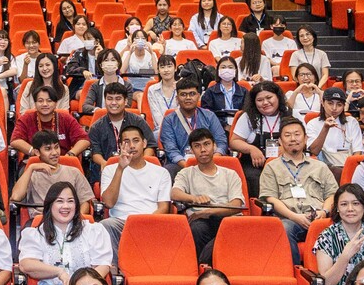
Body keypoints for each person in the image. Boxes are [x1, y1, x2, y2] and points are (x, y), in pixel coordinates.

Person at [18, 184, 114, 285]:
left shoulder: (93, 230)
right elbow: (26, 264)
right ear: (50, 205)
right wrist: (59, 272)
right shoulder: (36, 233)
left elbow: (103, 264)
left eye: (70, 201)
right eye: (59, 201)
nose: (65, 206)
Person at [258, 117, 338, 262]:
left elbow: (332, 194)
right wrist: (294, 217)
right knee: (284, 228)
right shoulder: (271, 167)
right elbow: (270, 198)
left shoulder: (320, 166)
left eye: (297, 134)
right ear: (280, 141)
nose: (293, 139)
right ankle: (294, 270)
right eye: (287, 135)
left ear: (305, 138)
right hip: (289, 219)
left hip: (319, 218)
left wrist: (324, 212)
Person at [172, 129, 246, 264]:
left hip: (228, 218)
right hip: (201, 221)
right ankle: (204, 266)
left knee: (233, 232)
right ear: (191, 150)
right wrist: (194, 198)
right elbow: (174, 193)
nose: (203, 150)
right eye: (197, 146)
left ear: (214, 146)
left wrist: (209, 212)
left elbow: (236, 205)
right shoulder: (186, 173)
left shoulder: (230, 174)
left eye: (206, 144)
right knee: (197, 228)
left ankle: (204, 265)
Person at [99, 122, 172, 250]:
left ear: (144, 143)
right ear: (120, 146)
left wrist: (143, 223)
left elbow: (164, 208)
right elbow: (108, 203)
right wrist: (120, 169)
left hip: (151, 222)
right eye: (126, 142)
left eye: (136, 141)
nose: (132, 146)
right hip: (120, 223)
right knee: (105, 225)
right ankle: (117, 263)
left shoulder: (161, 172)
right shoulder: (110, 170)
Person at [230, 80, 290, 194]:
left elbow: (303, 140)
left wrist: (286, 149)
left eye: (269, 98)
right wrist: (251, 149)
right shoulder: (248, 117)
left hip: (286, 162)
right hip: (255, 165)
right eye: (260, 100)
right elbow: (234, 141)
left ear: (278, 97)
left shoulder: (290, 114)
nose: (265, 103)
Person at [159, 78, 230, 173]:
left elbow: (221, 142)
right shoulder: (169, 120)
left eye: (192, 94)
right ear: (177, 98)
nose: (188, 98)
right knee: (169, 170)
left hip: (209, 161)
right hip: (182, 165)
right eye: (183, 94)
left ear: (198, 96)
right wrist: (189, 167)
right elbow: (171, 150)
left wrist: (211, 161)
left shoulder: (209, 116)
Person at [10, 130, 94, 208]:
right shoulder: (31, 174)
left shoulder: (74, 172)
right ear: (37, 152)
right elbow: (15, 197)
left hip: (69, 216)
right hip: (40, 217)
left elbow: (85, 202)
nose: (54, 153)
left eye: (57, 147)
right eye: (48, 149)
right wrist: (31, 168)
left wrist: (77, 217)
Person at [85, 81, 156, 173]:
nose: (113, 103)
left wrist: (143, 162)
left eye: (118, 99)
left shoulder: (138, 121)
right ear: (105, 101)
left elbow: (150, 145)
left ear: (125, 101)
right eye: (110, 99)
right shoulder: (96, 127)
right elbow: (95, 153)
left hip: (136, 168)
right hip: (108, 169)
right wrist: (104, 164)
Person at [10, 83, 89, 159]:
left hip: (62, 160)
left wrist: (70, 154)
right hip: (35, 161)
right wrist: (33, 151)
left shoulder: (66, 118)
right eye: (40, 101)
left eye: (49, 101)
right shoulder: (26, 118)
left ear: (55, 103)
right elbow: (15, 140)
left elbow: (84, 139)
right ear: (35, 103)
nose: (45, 104)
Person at [306, 87, 361, 172]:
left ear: (344, 106)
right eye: (330, 103)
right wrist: (325, 128)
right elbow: (314, 151)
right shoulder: (313, 123)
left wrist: (351, 170)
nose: (334, 108)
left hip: (348, 166)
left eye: (339, 105)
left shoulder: (352, 122)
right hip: (324, 168)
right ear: (322, 103)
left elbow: (358, 151)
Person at [203, 57, 247, 123]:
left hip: (240, 126)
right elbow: (207, 114)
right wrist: (224, 125)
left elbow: (248, 113)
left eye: (230, 67)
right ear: (218, 70)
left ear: (235, 70)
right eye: (223, 67)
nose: (227, 70)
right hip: (217, 126)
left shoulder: (244, 92)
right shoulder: (210, 92)